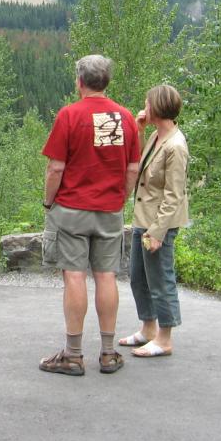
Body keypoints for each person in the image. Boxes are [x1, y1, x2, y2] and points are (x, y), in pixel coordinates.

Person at [38, 54, 140, 376]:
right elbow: (133, 168)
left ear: (79, 81)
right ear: (106, 81)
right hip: (109, 210)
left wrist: (48, 202)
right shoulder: (125, 118)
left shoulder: (69, 115)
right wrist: (121, 197)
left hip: (71, 210)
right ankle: (109, 353)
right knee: (106, 276)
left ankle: (73, 354)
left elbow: (56, 167)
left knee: (74, 275)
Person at [119, 84, 189, 358]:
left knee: (160, 279)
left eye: (147, 103)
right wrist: (139, 130)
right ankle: (147, 328)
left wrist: (158, 232)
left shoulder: (175, 145)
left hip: (159, 224)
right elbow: (139, 164)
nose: (144, 107)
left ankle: (165, 337)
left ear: (157, 107)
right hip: (143, 218)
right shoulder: (158, 136)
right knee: (138, 277)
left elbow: (174, 195)